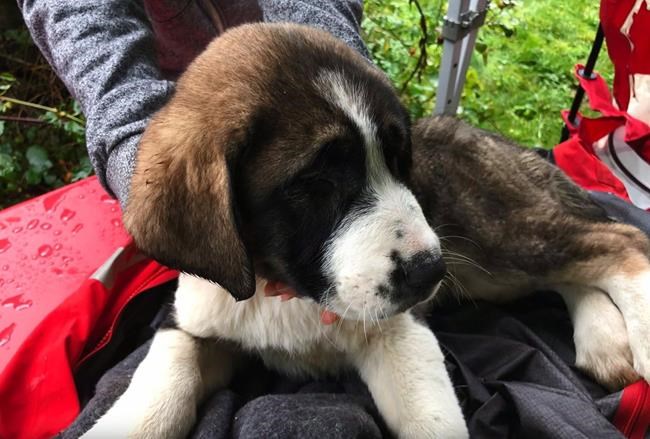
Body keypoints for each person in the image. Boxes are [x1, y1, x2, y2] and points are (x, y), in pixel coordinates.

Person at [17, 0, 369, 207]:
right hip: (172, 120)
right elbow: (94, 45)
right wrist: (159, 181)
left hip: (306, 103)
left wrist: (351, 97)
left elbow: (318, 20)